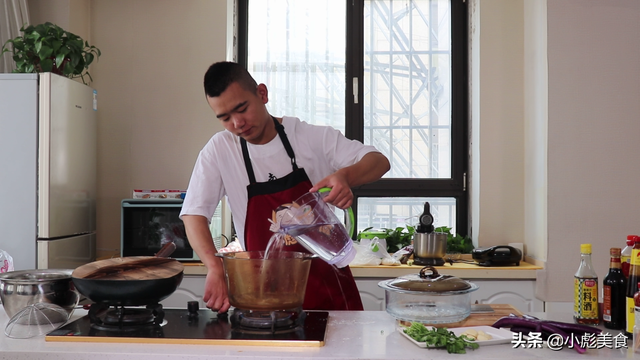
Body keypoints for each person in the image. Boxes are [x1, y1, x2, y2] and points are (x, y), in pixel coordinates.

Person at [180, 61, 390, 313]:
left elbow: (379, 161)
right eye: (225, 118)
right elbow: (193, 214)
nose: (237, 123)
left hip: (328, 290)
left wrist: (346, 176)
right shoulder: (220, 150)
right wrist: (215, 267)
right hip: (264, 296)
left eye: (242, 109)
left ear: (262, 94)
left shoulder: (310, 137)